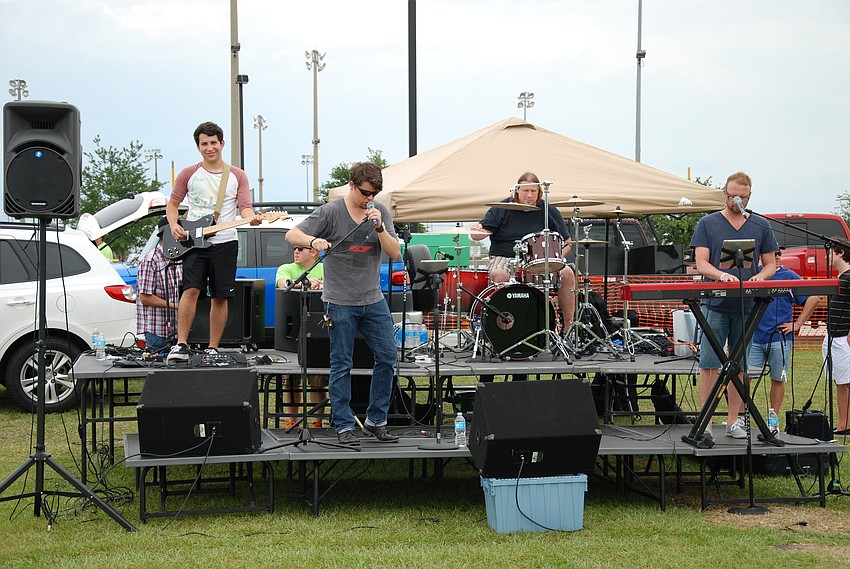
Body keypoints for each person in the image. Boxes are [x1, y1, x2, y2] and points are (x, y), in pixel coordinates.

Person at [285, 161, 401, 446]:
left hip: (373, 299)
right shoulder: (331, 212)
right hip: (339, 301)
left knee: (388, 356)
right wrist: (313, 241)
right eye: (365, 192)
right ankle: (344, 424)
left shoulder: (379, 212)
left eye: (374, 193)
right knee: (341, 363)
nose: (369, 198)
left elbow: (394, 252)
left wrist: (380, 228)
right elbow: (291, 234)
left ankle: (376, 420)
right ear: (351, 185)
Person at [165, 121, 263, 363]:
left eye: (213, 143)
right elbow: (173, 204)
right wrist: (174, 225)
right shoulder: (188, 173)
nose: (209, 148)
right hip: (194, 242)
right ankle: (181, 345)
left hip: (225, 242)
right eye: (204, 144)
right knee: (190, 290)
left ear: (222, 144)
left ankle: (213, 348)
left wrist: (252, 218)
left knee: (220, 295)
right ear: (198, 147)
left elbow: (245, 207)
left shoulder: (237, 175)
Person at [690, 171, 778, 439]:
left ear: (749, 196)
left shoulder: (761, 225)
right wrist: (721, 275)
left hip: (746, 304)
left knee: (739, 366)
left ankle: (733, 421)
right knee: (709, 364)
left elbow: (771, 264)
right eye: (732, 196)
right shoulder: (708, 223)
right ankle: (705, 421)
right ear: (725, 194)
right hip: (715, 303)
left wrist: (759, 277)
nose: (737, 200)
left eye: (743, 197)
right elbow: (701, 262)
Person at [470, 172, 576, 329]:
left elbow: (567, 242)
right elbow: (477, 235)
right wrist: (477, 231)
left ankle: (568, 327)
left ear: (539, 192)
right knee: (498, 274)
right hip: (505, 256)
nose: (529, 195)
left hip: (538, 259)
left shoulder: (549, 211)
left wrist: (556, 259)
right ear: (517, 191)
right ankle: (507, 327)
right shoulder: (501, 209)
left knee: (567, 274)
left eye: (533, 191)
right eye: (526, 191)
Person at [747, 248, 820, 426]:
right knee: (744, 378)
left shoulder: (789, 276)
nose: (777, 257)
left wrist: (797, 324)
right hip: (754, 338)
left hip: (780, 338)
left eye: (779, 254)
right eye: (773, 254)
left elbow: (813, 298)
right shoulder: (754, 275)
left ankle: (773, 418)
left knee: (778, 379)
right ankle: (741, 416)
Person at [276, 245, 327, 428]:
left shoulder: (326, 268)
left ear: (314, 252)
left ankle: (318, 422)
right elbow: (283, 283)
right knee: (290, 383)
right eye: (294, 248)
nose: (295, 252)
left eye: (300, 248)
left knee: (317, 382)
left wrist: (323, 285)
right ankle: (293, 421)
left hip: (318, 334)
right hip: (292, 335)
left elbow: (339, 284)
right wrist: (304, 283)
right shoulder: (286, 268)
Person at [136, 217, 183, 354]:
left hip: (178, 330)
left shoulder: (181, 258)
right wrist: (176, 306)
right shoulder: (150, 260)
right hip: (157, 332)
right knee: (160, 365)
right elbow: (145, 298)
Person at [824, 237, 850, 435]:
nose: (826, 257)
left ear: (841, 253)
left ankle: (845, 424)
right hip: (832, 334)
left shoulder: (849, 278)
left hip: (843, 337)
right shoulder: (840, 277)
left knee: (845, 382)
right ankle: (843, 422)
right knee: (839, 380)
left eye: (830, 252)